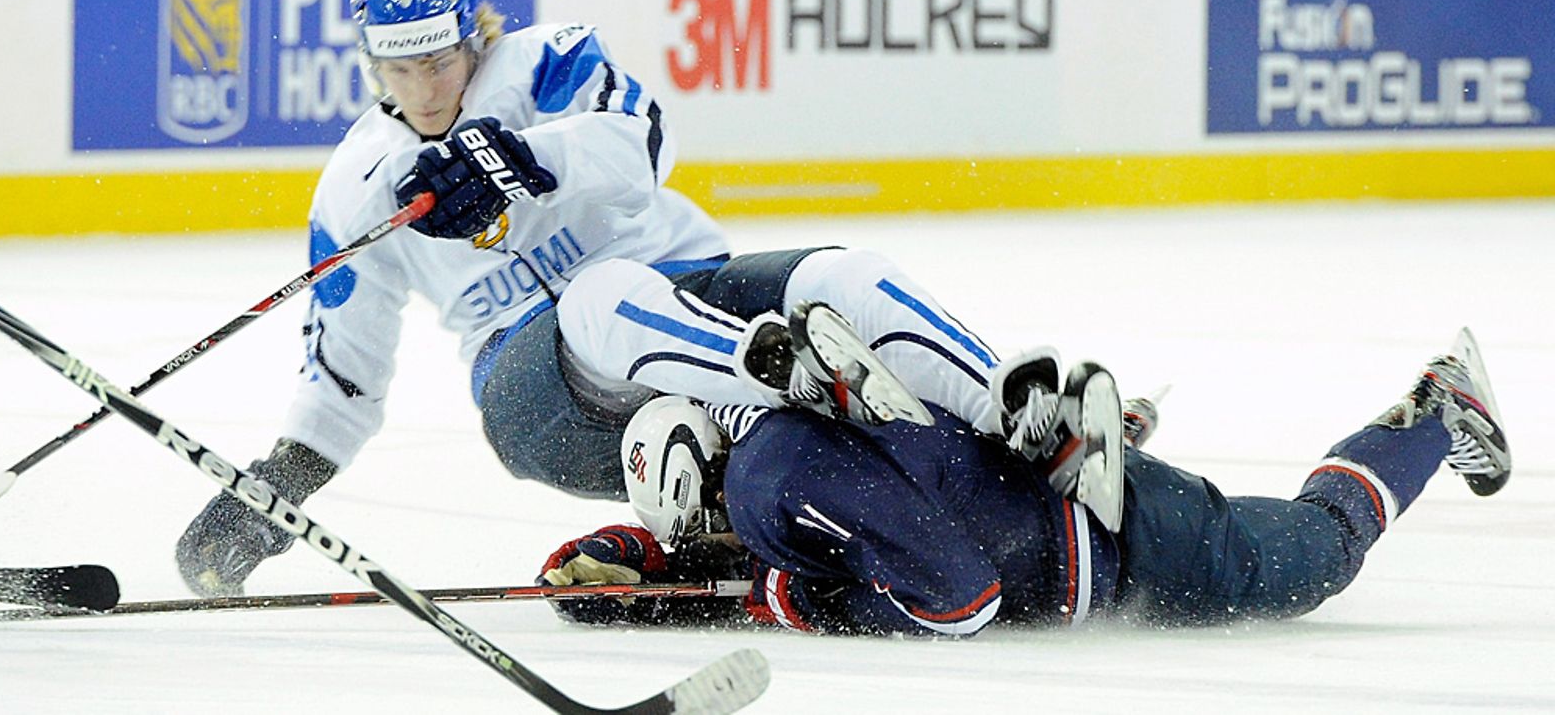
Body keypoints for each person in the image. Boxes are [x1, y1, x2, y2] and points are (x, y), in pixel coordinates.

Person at [173, 0, 1047, 598]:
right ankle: (779, 390)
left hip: (687, 291)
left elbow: (645, 147)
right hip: (537, 392)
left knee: (841, 273)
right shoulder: (355, 192)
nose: (428, 91)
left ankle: (1016, 415)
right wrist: (269, 494)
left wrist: (518, 157)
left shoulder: (548, 63)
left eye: (440, 62)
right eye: (401, 70)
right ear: (372, 65)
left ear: (476, 37)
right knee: (599, 294)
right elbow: (342, 385)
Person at [540, 329, 1511, 636]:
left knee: (1318, 554)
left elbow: (958, 599)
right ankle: (1068, 435)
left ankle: (1440, 409)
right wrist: (630, 573)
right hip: (1072, 514)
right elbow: (787, 549)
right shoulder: (771, 450)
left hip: (1133, 545)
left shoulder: (775, 480)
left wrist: (796, 604)